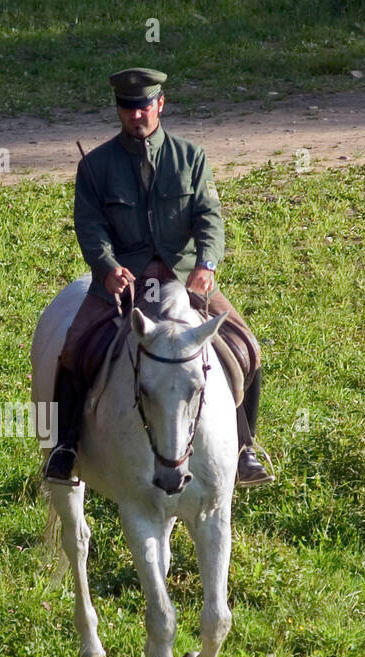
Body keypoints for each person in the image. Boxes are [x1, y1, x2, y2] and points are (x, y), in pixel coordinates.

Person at [45, 67, 273, 489]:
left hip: (184, 277)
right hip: (121, 283)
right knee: (74, 349)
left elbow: (209, 217)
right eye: (128, 108)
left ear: (160, 105)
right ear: (118, 110)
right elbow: (90, 226)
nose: (137, 115)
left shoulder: (191, 158)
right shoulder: (95, 167)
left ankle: (245, 450)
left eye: (144, 106)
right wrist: (107, 267)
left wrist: (207, 264)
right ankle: (64, 448)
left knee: (247, 346)